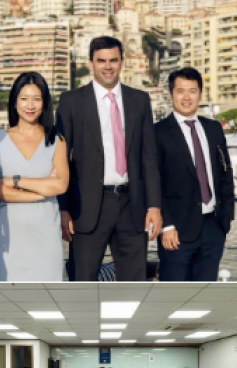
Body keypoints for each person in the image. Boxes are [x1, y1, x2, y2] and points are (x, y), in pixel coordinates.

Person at [55, 36, 161, 281]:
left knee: (134, 284)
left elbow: (149, 159)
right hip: (87, 208)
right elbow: (60, 160)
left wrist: (154, 206)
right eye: (101, 60)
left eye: (113, 60)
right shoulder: (71, 102)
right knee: (83, 281)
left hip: (131, 206)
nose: (108, 66)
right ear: (91, 62)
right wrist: (63, 209)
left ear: (122, 61)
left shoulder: (140, 100)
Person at [155, 67, 234, 281]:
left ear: (200, 93)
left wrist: (225, 219)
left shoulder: (213, 128)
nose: (187, 97)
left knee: (204, 295)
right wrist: (166, 226)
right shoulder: (158, 132)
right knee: (175, 298)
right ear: (171, 94)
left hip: (213, 227)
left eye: (193, 91)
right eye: (181, 91)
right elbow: (154, 184)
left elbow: (225, 174)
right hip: (176, 231)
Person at [0, 72, 69, 280]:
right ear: (14, 102)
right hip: (8, 237)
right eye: (24, 98)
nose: (30, 105)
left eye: (37, 99)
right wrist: (41, 191)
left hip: (46, 236)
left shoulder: (56, 140)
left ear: (44, 102)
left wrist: (15, 181)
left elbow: (60, 185)